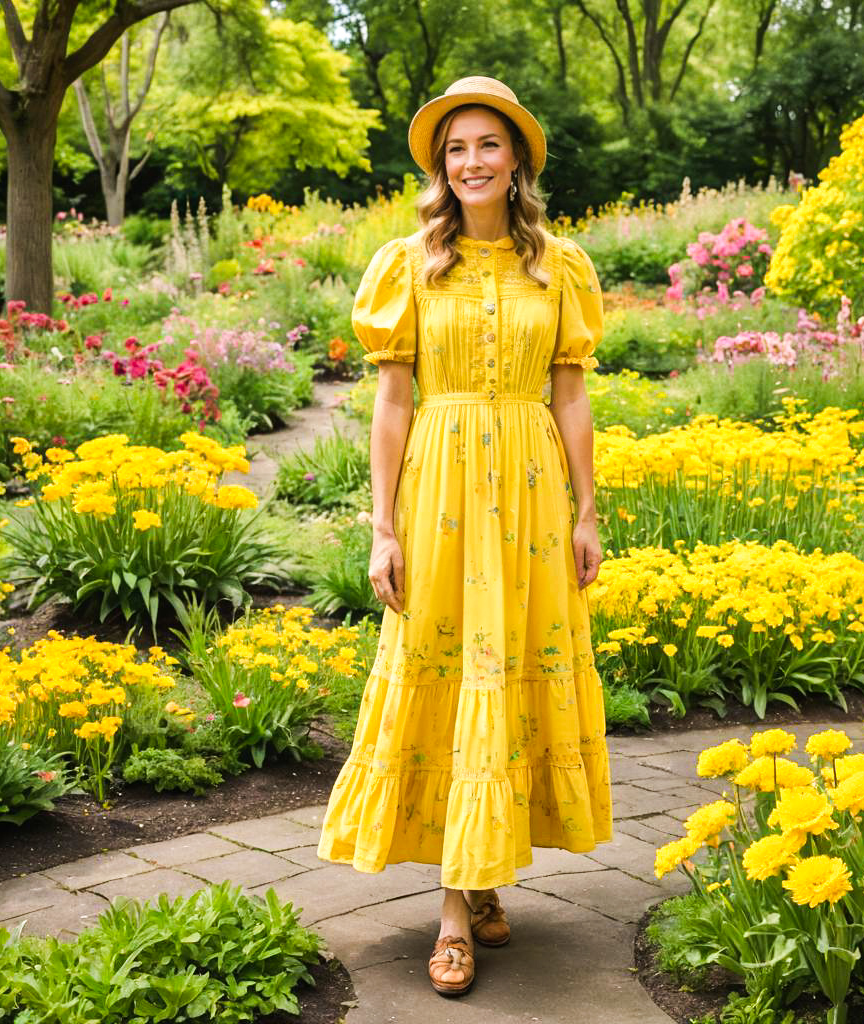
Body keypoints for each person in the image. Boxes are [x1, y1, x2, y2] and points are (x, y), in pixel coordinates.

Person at [317, 75, 613, 998]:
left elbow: (570, 394)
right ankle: (455, 912)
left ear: (516, 157)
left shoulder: (559, 266)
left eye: (488, 144)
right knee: (455, 671)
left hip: (528, 491)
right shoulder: (409, 264)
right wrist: (381, 526)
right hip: (439, 487)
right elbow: (392, 402)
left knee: (508, 663)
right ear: (441, 167)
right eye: (456, 148)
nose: (472, 161)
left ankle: (481, 879)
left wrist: (588, 511)